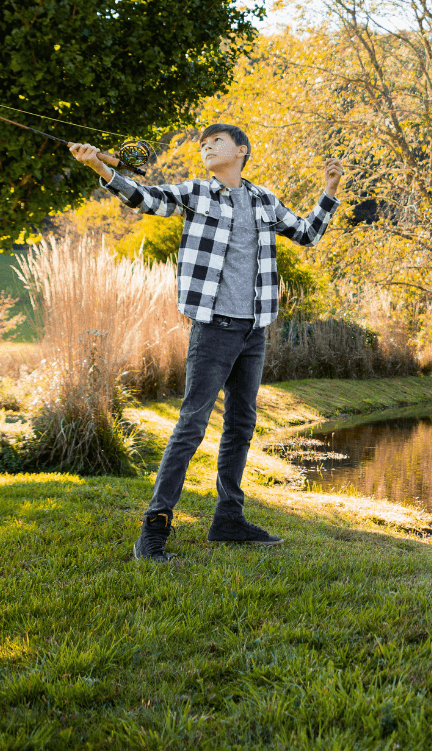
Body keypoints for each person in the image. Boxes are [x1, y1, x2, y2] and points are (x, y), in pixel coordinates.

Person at [68, 125, 343, 562]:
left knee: (240, 425)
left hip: (255, 328)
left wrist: (329, 192)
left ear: (241, 150)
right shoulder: (196, 192)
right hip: (214, 328)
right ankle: (153, 528)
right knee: (191, 426)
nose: (207, 147)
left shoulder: (264, 200)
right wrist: (100, 166)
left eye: (216, 141)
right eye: (203, 144)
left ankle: (228, 519)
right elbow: (146, 198)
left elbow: (307, 234)